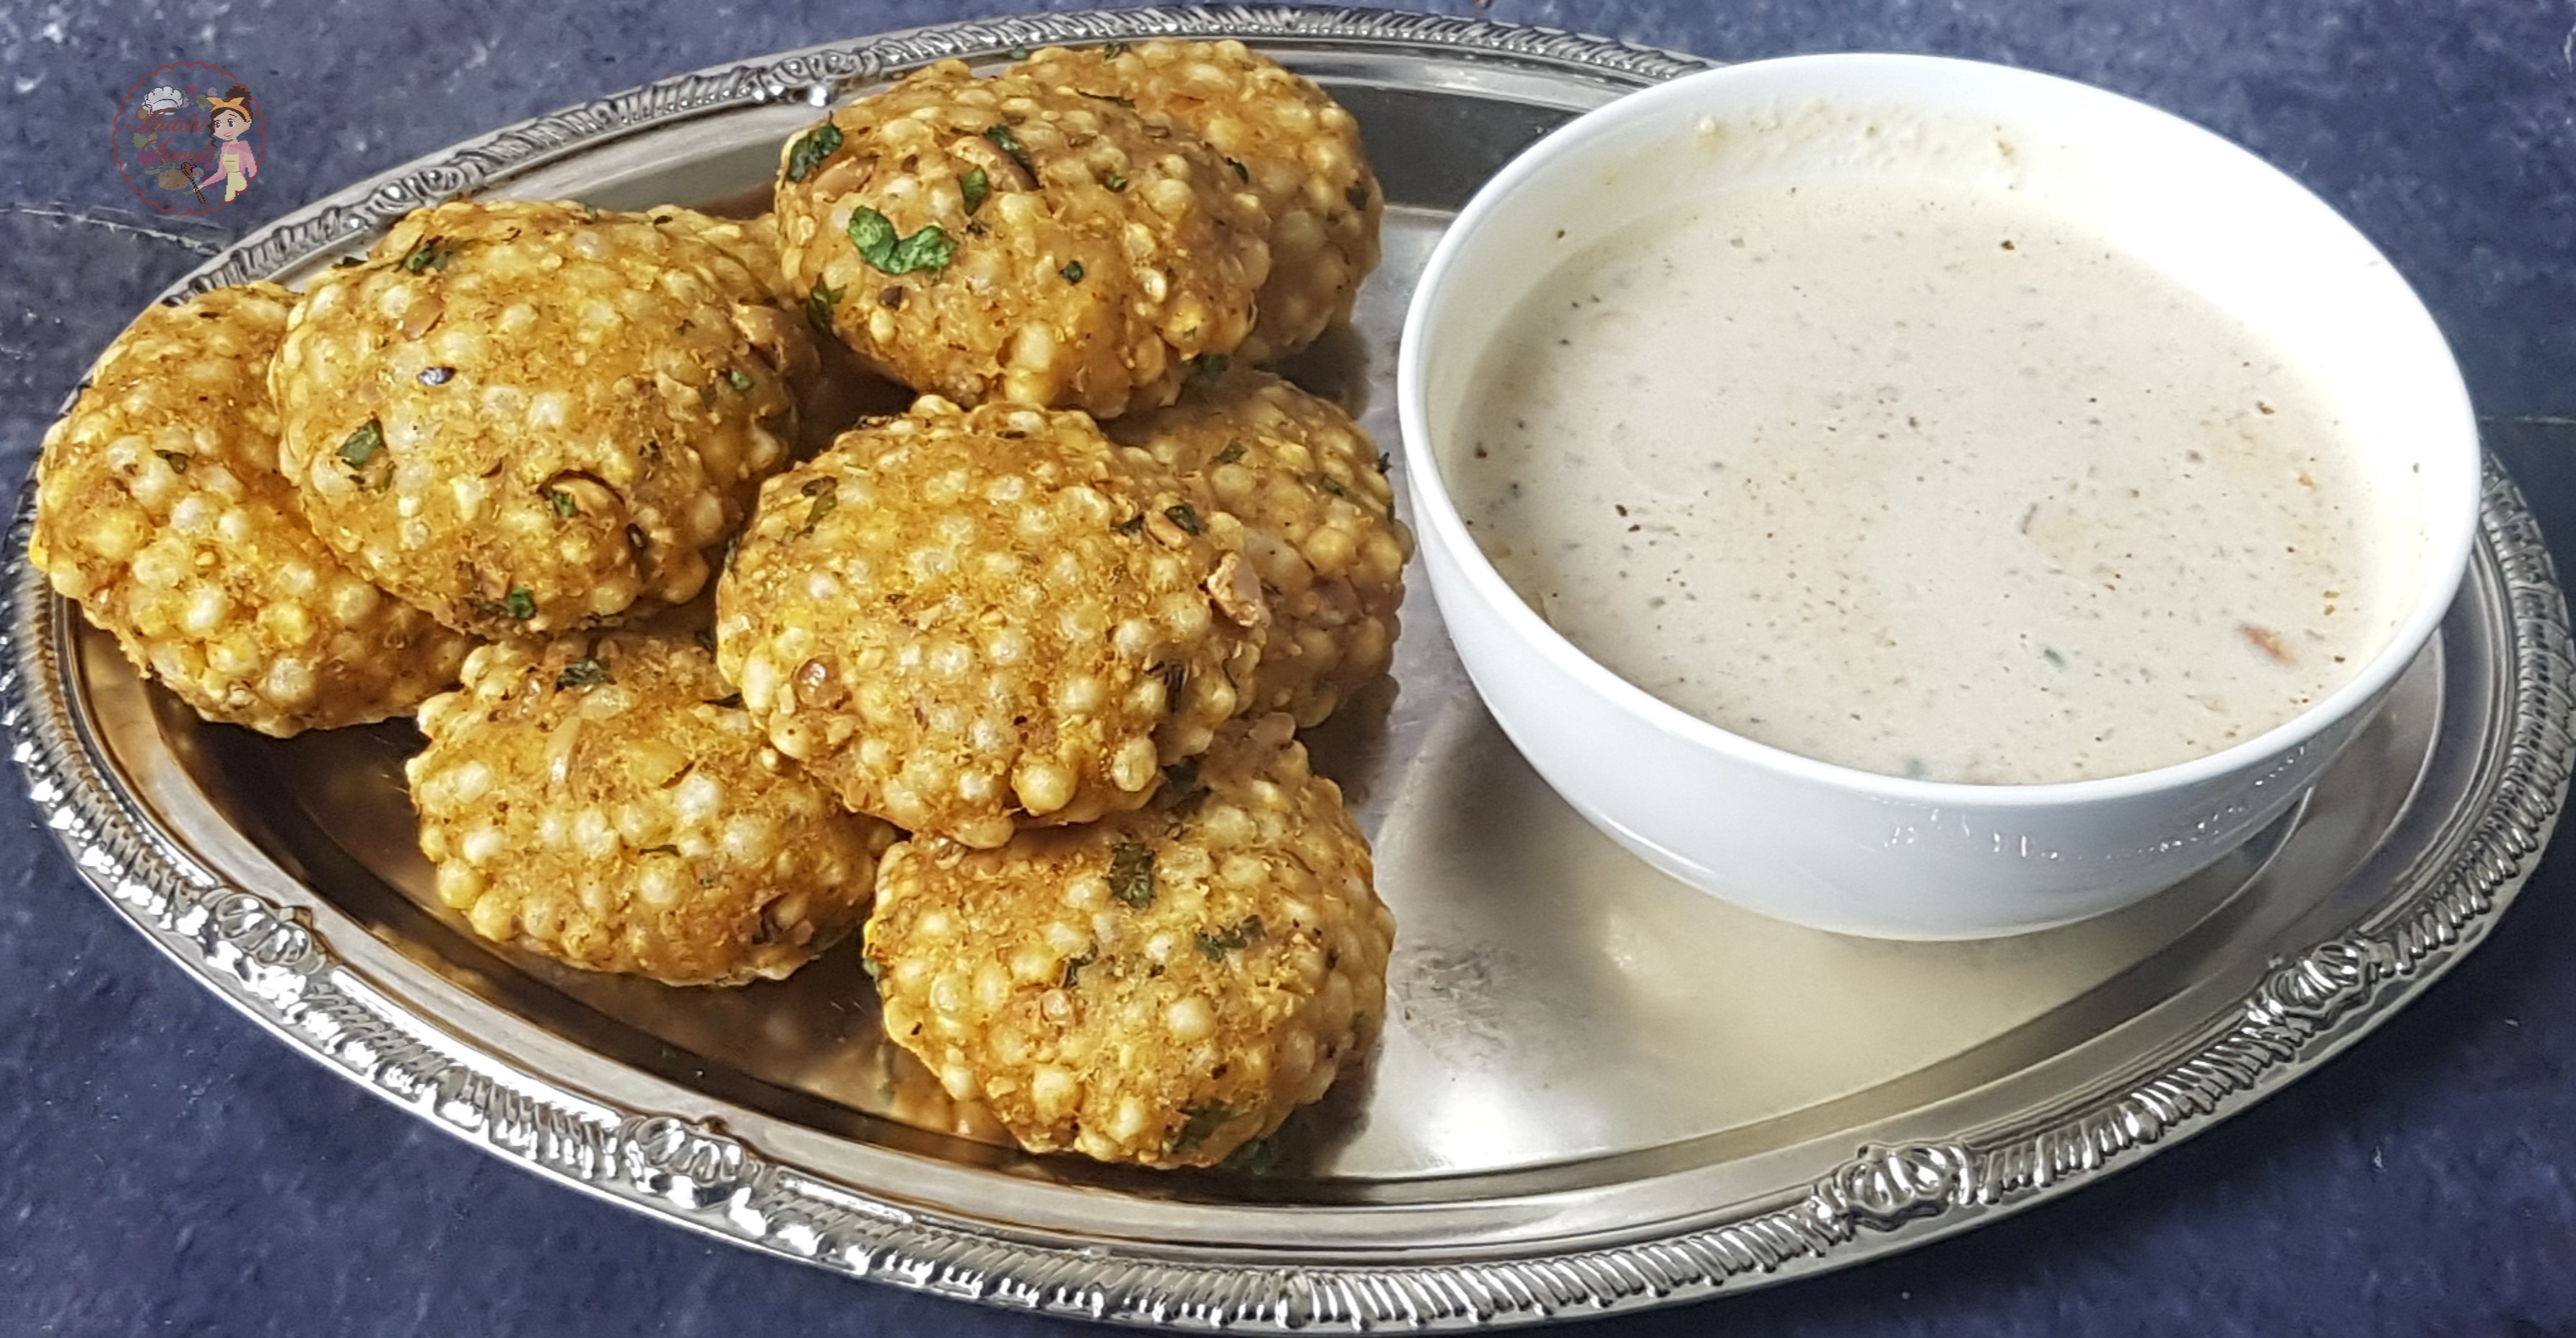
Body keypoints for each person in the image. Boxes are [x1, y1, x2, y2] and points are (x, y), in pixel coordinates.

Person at [194, 88, 257, 204]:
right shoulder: (225, 148)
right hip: (231, 187)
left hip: (241, 186)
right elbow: (221, 174)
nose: (225, 129)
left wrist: (253, 189)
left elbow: (252, 169)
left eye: (231, 122)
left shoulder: (243, 146)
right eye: (218, 124)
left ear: (246, 123)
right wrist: (202, 185)